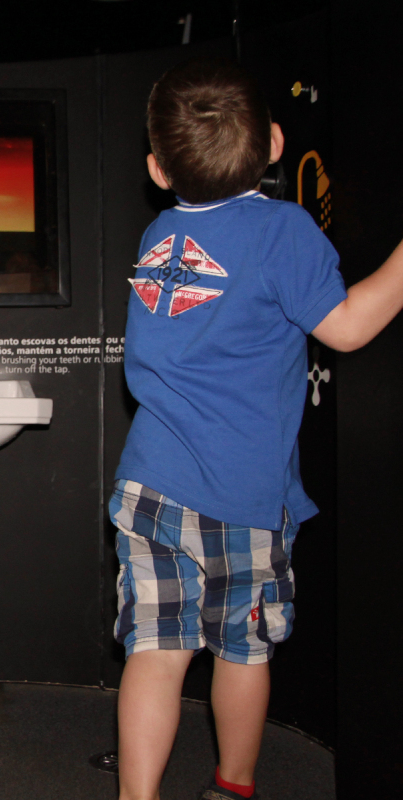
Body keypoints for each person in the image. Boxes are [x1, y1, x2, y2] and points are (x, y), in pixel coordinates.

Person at [111, 56, 403, 800]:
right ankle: (232, 784)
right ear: (275, 144)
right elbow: (346, 329)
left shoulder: (159, 236)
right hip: (240, 497)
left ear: (158, 169)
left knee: (157, 650)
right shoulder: (282, 230)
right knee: (242, 650)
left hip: (149, 487)